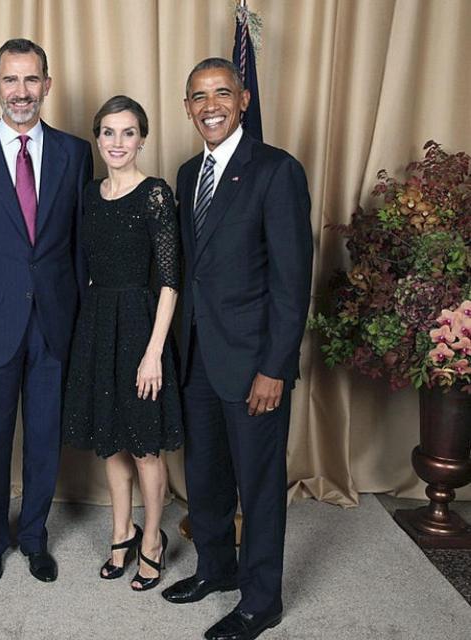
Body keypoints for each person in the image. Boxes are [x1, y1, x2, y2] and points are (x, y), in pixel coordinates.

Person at [161, 58, 312, 640]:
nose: (210, 106)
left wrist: (275, 367)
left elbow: (290, 281)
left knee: (260, 484)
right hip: (197, 355)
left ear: (244, 99)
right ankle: (216, 568)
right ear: (188, 108)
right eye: (198, 97)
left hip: (253, 362)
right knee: (206, 478)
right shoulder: (184, 174)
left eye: (221, 93)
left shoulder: (277, 171)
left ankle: (261, 601)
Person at [0, 38, 92, 585]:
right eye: (11, 80)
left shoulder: (76, 153)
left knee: (43, 439)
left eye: (32, 80)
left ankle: (34, 537)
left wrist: (81, 327)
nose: (21, 92)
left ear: (47, 85)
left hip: (55, 323)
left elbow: (79, 247)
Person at [62, 96, 183, 592]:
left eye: (128, 133)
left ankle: (152, 539)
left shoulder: (155, 193)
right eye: (108, 133)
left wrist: (153, 351)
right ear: (97, 138)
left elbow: (171, 280)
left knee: (145, 446)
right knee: (110, 439)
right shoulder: (90, 193)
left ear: (142, 139)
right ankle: (122, 531)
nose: (117, 143)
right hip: (97, 324)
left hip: (140, 324)